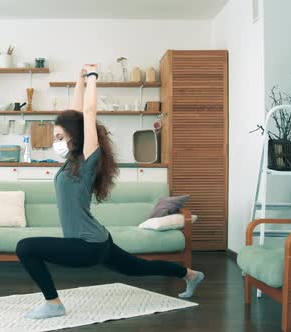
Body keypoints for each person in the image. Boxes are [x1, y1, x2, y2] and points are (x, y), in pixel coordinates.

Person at [15, 64, 204, 320]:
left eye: (59, 137)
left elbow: (88, 114)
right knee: (139, 268)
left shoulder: (87, 160)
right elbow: (75, 114)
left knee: (25, 247)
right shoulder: (71, 160)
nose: (55, 142)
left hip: (88, 245)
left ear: (75, 138)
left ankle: (53, 304)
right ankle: (190, 275)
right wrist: (78, 80)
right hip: (99, 239)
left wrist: (93, 77)